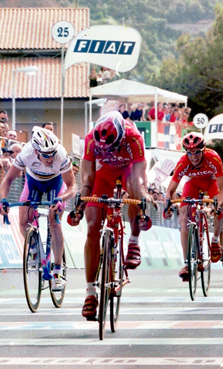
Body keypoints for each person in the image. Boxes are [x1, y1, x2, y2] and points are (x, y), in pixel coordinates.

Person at [66, 111, 152, 320]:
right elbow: (87, 180)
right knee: (93, 225)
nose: (108, 150)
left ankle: (133, 239)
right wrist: (79, 208)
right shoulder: (90, 139)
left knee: (134, 189)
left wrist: (142, 207)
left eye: (112, 147)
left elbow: (141, 179)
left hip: (128, 170)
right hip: (103, 173)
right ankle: (90, 292)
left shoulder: (134, 137)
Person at [0, 127, 77, 291]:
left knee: (54, 221)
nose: (50, 158)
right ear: (36, 151)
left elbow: (72, 186)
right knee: (22, 221)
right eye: (46, 155)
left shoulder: (61, 155)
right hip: (33, 182)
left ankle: (57, 271)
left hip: (56, 183)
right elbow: (7, 180)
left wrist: (61, 199)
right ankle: (34, 248)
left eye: (52, 153)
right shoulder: (26, 153)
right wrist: (3, 200)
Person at [163, 132, 223, 281]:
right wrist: (167, 205)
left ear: (203, 150)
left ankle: (215, 240)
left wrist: (218, 204)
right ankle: (187, 262)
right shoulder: (183, 162)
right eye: (190, 153)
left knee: (220, 209)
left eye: (197, 152)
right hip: (193, 183)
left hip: (211, 182)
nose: (194, 156)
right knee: (184, 216)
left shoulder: (213, 157)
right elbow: (170, 190)